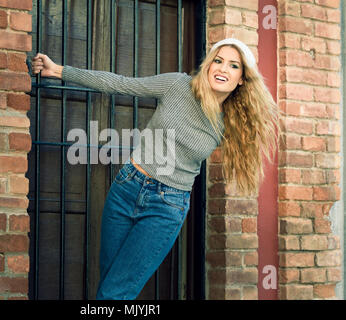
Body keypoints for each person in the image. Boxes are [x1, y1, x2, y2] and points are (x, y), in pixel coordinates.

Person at [32, 38, 279, 300]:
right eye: (217, 61)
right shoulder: (178, 85)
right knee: (109, 285)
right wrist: (58, 71)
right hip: (127, 188)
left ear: (242, 78)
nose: (222, 69)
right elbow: (121, 84)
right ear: (208, 65)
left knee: (114, 293)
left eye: (233, 66)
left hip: (166, 206)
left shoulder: (230, 122)